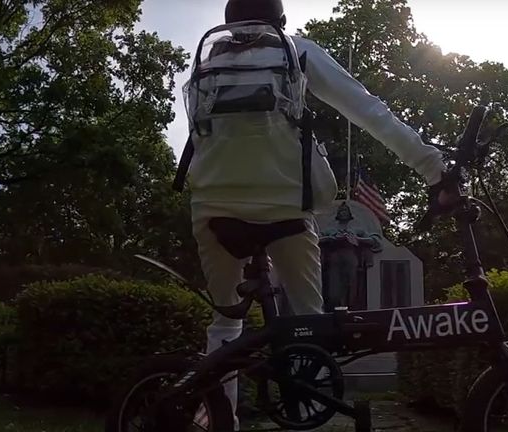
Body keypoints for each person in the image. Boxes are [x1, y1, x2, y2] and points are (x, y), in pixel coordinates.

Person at [186, 0, 454, 427]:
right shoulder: (297, 52)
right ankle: (307, 411)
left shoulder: (207, 65)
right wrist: (433, 168)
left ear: (229, 24)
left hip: (214, 206)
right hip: (286, 206)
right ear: (280, 20)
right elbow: (369, 111)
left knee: (224, 324)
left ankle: (216, 420)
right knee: (309, 326)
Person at [319, 202, 382, 310]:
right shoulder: (330, 229)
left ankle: (351, 308)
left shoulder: (358, 229)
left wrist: (357, 239)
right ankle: (334, 309)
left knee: (351, 287)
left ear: (350, 214)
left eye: (345, 211)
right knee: (333, 290)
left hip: (351, 258)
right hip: (334, 259)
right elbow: (315, 240)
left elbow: (375, 241)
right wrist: (329, 238)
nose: (343, 213)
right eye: (341, 211)